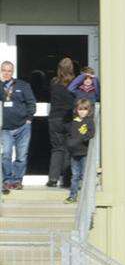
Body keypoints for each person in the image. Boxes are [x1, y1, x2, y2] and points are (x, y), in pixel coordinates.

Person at [1, 61, 37, 195]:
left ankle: (17, 180)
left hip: (23, 126)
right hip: (6, 128)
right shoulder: (0, 86)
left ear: (13, 72)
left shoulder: (23, 85)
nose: (6, 73)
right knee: (6, 155)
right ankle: (7, 180)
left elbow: (31, 103)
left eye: (9, 71)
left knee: (21, 156)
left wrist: (29, 119)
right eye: (4, 70)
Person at [47, 57, 78, 190]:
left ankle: (53, 179)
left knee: (57, 149)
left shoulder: (54, 82)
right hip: (69, 119)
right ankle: (66, 180)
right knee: (68, 150)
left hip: (55, 119)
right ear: (71, 69)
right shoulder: (75, 83)